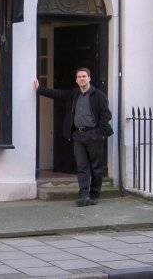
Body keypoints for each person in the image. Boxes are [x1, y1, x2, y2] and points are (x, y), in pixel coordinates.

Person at [34, 68, 113, 207]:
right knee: (82, 166)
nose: (82, 79)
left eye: (84, 76)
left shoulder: (99, 95)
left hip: (93, 135)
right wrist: (40, 89)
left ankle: (94, 194)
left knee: (96, 167)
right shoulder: (74, 94)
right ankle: (84, 195)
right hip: (78, 135)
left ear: (89, 78)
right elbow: (58, 94)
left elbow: (106, 115)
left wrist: (98, 132)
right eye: (79, 77)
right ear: (76, 80)